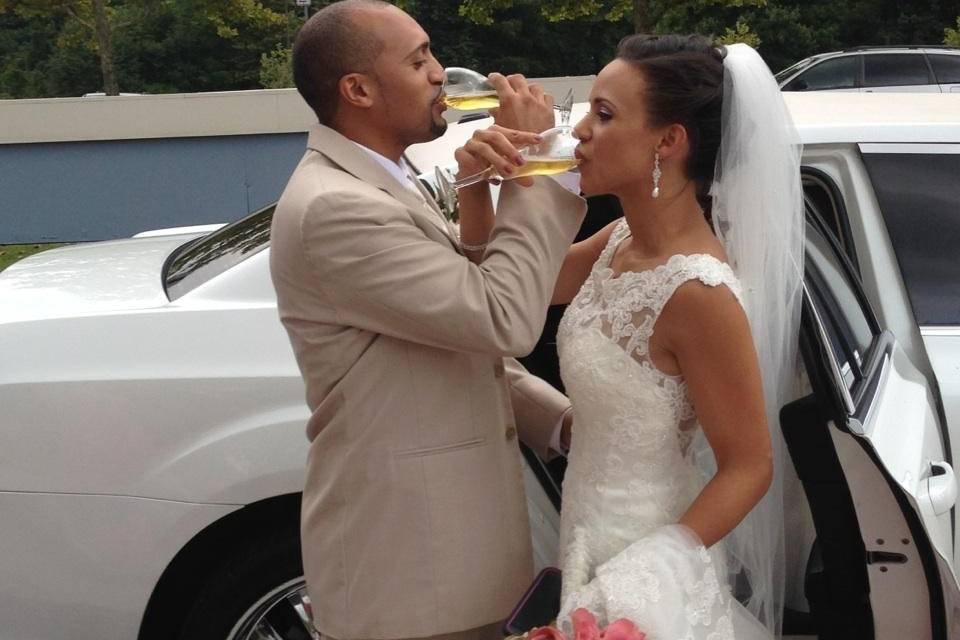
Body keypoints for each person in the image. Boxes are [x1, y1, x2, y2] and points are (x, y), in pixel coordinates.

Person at [458, 35, 804, 639]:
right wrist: (477, 185)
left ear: (669, 142)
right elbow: (504, 292)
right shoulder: (617, 240)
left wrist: (641, 583)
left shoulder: (700, 293)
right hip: (585, 534)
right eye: (589, 109)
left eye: (605, 113)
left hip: (647, 575)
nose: (582, 130)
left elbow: (750, 466)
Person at [268, 2, 587, 640]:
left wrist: (561, 425)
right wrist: (541, 167)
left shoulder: (385, 180)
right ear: (357, 90)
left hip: (448, 561)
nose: (442, 74)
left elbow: (454, 340)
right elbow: (501, 317)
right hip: (412, 573)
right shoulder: (337, 206)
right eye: (418, 60)